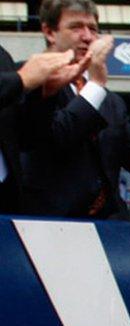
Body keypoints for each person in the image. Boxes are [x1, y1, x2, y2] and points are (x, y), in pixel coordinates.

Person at [20, 0, 130, 219]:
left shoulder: (112, 103)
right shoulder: (29, 82)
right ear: (49, 32)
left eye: (93, 28)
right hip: (44, 225)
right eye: (76, 27)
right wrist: (95, 86)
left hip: (109, 232)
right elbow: (56, 137)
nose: (87, 36)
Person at [0, 46, 75, 213]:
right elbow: (18, 82)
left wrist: (44, 94)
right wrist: (21, 79)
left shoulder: (2, 56)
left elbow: (25, 138)